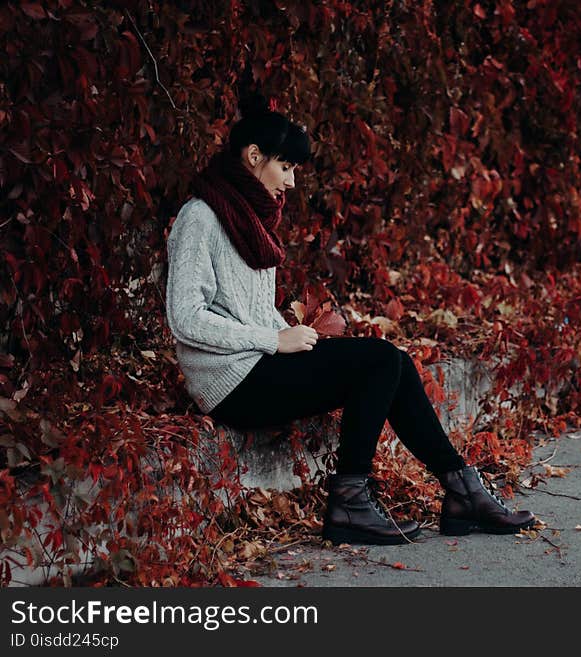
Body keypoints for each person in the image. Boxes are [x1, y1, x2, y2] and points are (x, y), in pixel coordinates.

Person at [164, 92, 536, 546]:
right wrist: (271, 338)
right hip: (229, 382)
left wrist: (289, 337)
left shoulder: (249, 217)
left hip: (257, 362)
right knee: (379, 361)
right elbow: (185, 318)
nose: (293, 183)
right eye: (286, 167)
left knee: (392, 360)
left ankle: (460, 490)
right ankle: (352, 503)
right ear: (254, 156)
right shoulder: (200, 217)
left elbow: (246, 308)